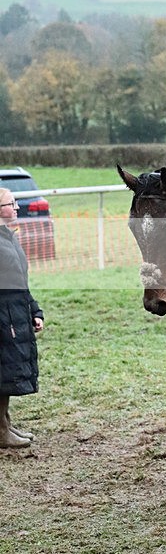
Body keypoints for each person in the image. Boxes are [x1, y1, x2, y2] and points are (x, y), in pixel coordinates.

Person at [0, 188, 44, 448]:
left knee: (5, 373)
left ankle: (4, 424)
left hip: (13, 314)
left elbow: (21, 282)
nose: (17, 208)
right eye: (11, 203)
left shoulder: (9, 237)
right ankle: (1, 431)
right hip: (4, 316)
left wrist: (33, 311)